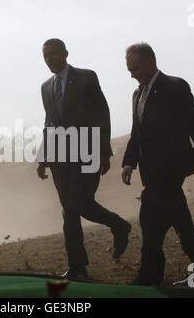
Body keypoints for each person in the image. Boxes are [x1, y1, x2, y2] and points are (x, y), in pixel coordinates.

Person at [121, 42, 194, 286]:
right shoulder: (137, 95)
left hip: (172, 166)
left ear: (150, 61)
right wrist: (129, 163)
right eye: (129, 70)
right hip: (151, 170)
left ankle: (150, 275)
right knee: (179, 221)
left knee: (150, 219)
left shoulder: (175, 86)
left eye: (135, 68)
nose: (132, 75)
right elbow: (137, 132)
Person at [37, 38, 131, 280]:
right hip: (60, 159)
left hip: (87, 153)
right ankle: (78, 265)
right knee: (70, 210)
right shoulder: (45, 87)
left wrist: (104, 151)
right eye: (45, 55)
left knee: (79, 204)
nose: (48, 59)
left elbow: (102, 113)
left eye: (52, 54)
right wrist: (43, 157)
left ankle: (118, 226)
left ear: (65, 54)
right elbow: (49, 122)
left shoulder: (87, 77)